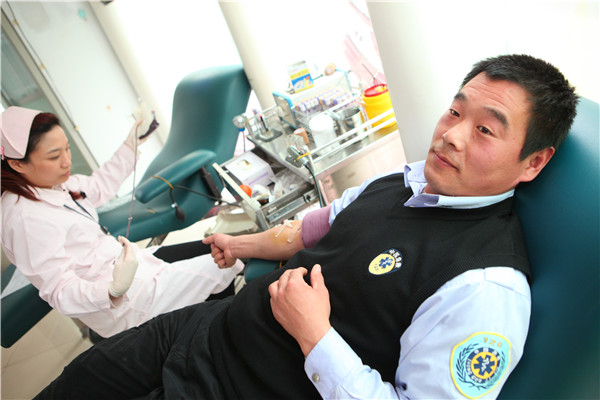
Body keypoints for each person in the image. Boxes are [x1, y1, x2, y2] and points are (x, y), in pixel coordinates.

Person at [35, 54, 578, 399]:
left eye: (485, 130)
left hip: (236, 387)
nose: (451, 135)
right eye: (456, 113)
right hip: (205, 329)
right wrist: (240, 242)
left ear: (533, 162)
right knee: (73, 385)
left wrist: (315, 334)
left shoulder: (483, 288)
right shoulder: (404, 180)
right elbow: (313, 229)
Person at [0, 108, 243, 339]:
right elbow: (59, 291)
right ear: (17, 163)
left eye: (67, 149)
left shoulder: (49, 183)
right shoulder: (24, 219)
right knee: (221, 267)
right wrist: (112, 290)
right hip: (124, 304)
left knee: (217, 251)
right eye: (54, 156)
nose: (66, 162)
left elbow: (98, 186)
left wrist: (131, 144)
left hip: (131, 268)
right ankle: (221, 345)